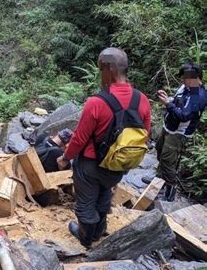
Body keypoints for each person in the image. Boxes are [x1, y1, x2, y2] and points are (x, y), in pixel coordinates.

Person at [56, 47, 151, 248]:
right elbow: (146, 135)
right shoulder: (141, 100)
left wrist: (65, 157)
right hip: (119, 165)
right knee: (104, 193)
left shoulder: (96, 102)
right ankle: (99, 230)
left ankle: (86, 237)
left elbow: (80, 138)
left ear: (107, 69)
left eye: (101, 70)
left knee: (85, 202)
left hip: (91, 165)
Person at [145, 62, 206, 201]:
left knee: (168, 160)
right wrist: (169, 99)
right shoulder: (186, 87)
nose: (182, 81)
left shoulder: (199, 96)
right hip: (169, 127)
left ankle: (170, 189)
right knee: (160, 152)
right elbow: (178, 101)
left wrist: (168, 104)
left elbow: (185, 115)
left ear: (195, 78)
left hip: (179, 133)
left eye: (185, 78)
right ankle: (159, 179)